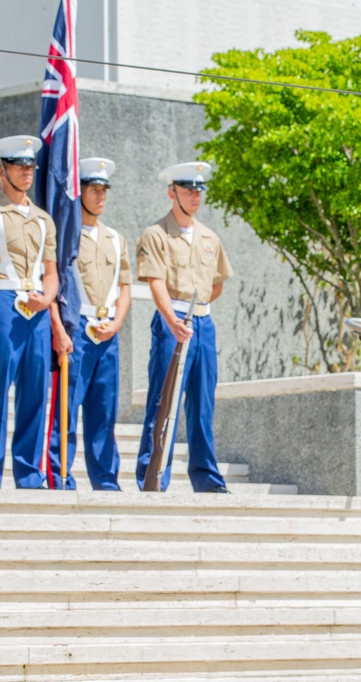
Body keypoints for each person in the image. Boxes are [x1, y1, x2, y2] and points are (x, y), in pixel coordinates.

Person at [134, 161, 233, 492]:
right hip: (171, 321)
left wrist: (199, 310)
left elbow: (216, 284)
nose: (195, 196)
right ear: (171, 193)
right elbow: (156, 281)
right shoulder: (156, 234)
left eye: (199, 190)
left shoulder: (209, 237)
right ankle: (153, 475)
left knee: (202, 404)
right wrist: (172, 318)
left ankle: (206, 478)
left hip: (203, 323)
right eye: (188, 190)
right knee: (163, 401)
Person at [0, 135, 58, 489]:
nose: (27, 172)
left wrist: (47, 298)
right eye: (19, 166)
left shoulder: (42, 219)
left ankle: (29, 473)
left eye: (30, 166)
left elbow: (51, 273)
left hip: (35, 308)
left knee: (35, 393)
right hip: (2, 303)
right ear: (0, 170)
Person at [45, 158, 131, 490]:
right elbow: (51, 282)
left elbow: (125, 287)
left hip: (107, 329)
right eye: (94, 190)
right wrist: (58, 327)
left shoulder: (114, 238)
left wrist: (117, 322)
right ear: (79, 192)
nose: (101, 197)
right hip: (76, 326)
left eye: (104, 190)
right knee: (66, 408)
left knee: (104, 413)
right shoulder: (65, 236)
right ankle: (61, 475)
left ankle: (106, 481)